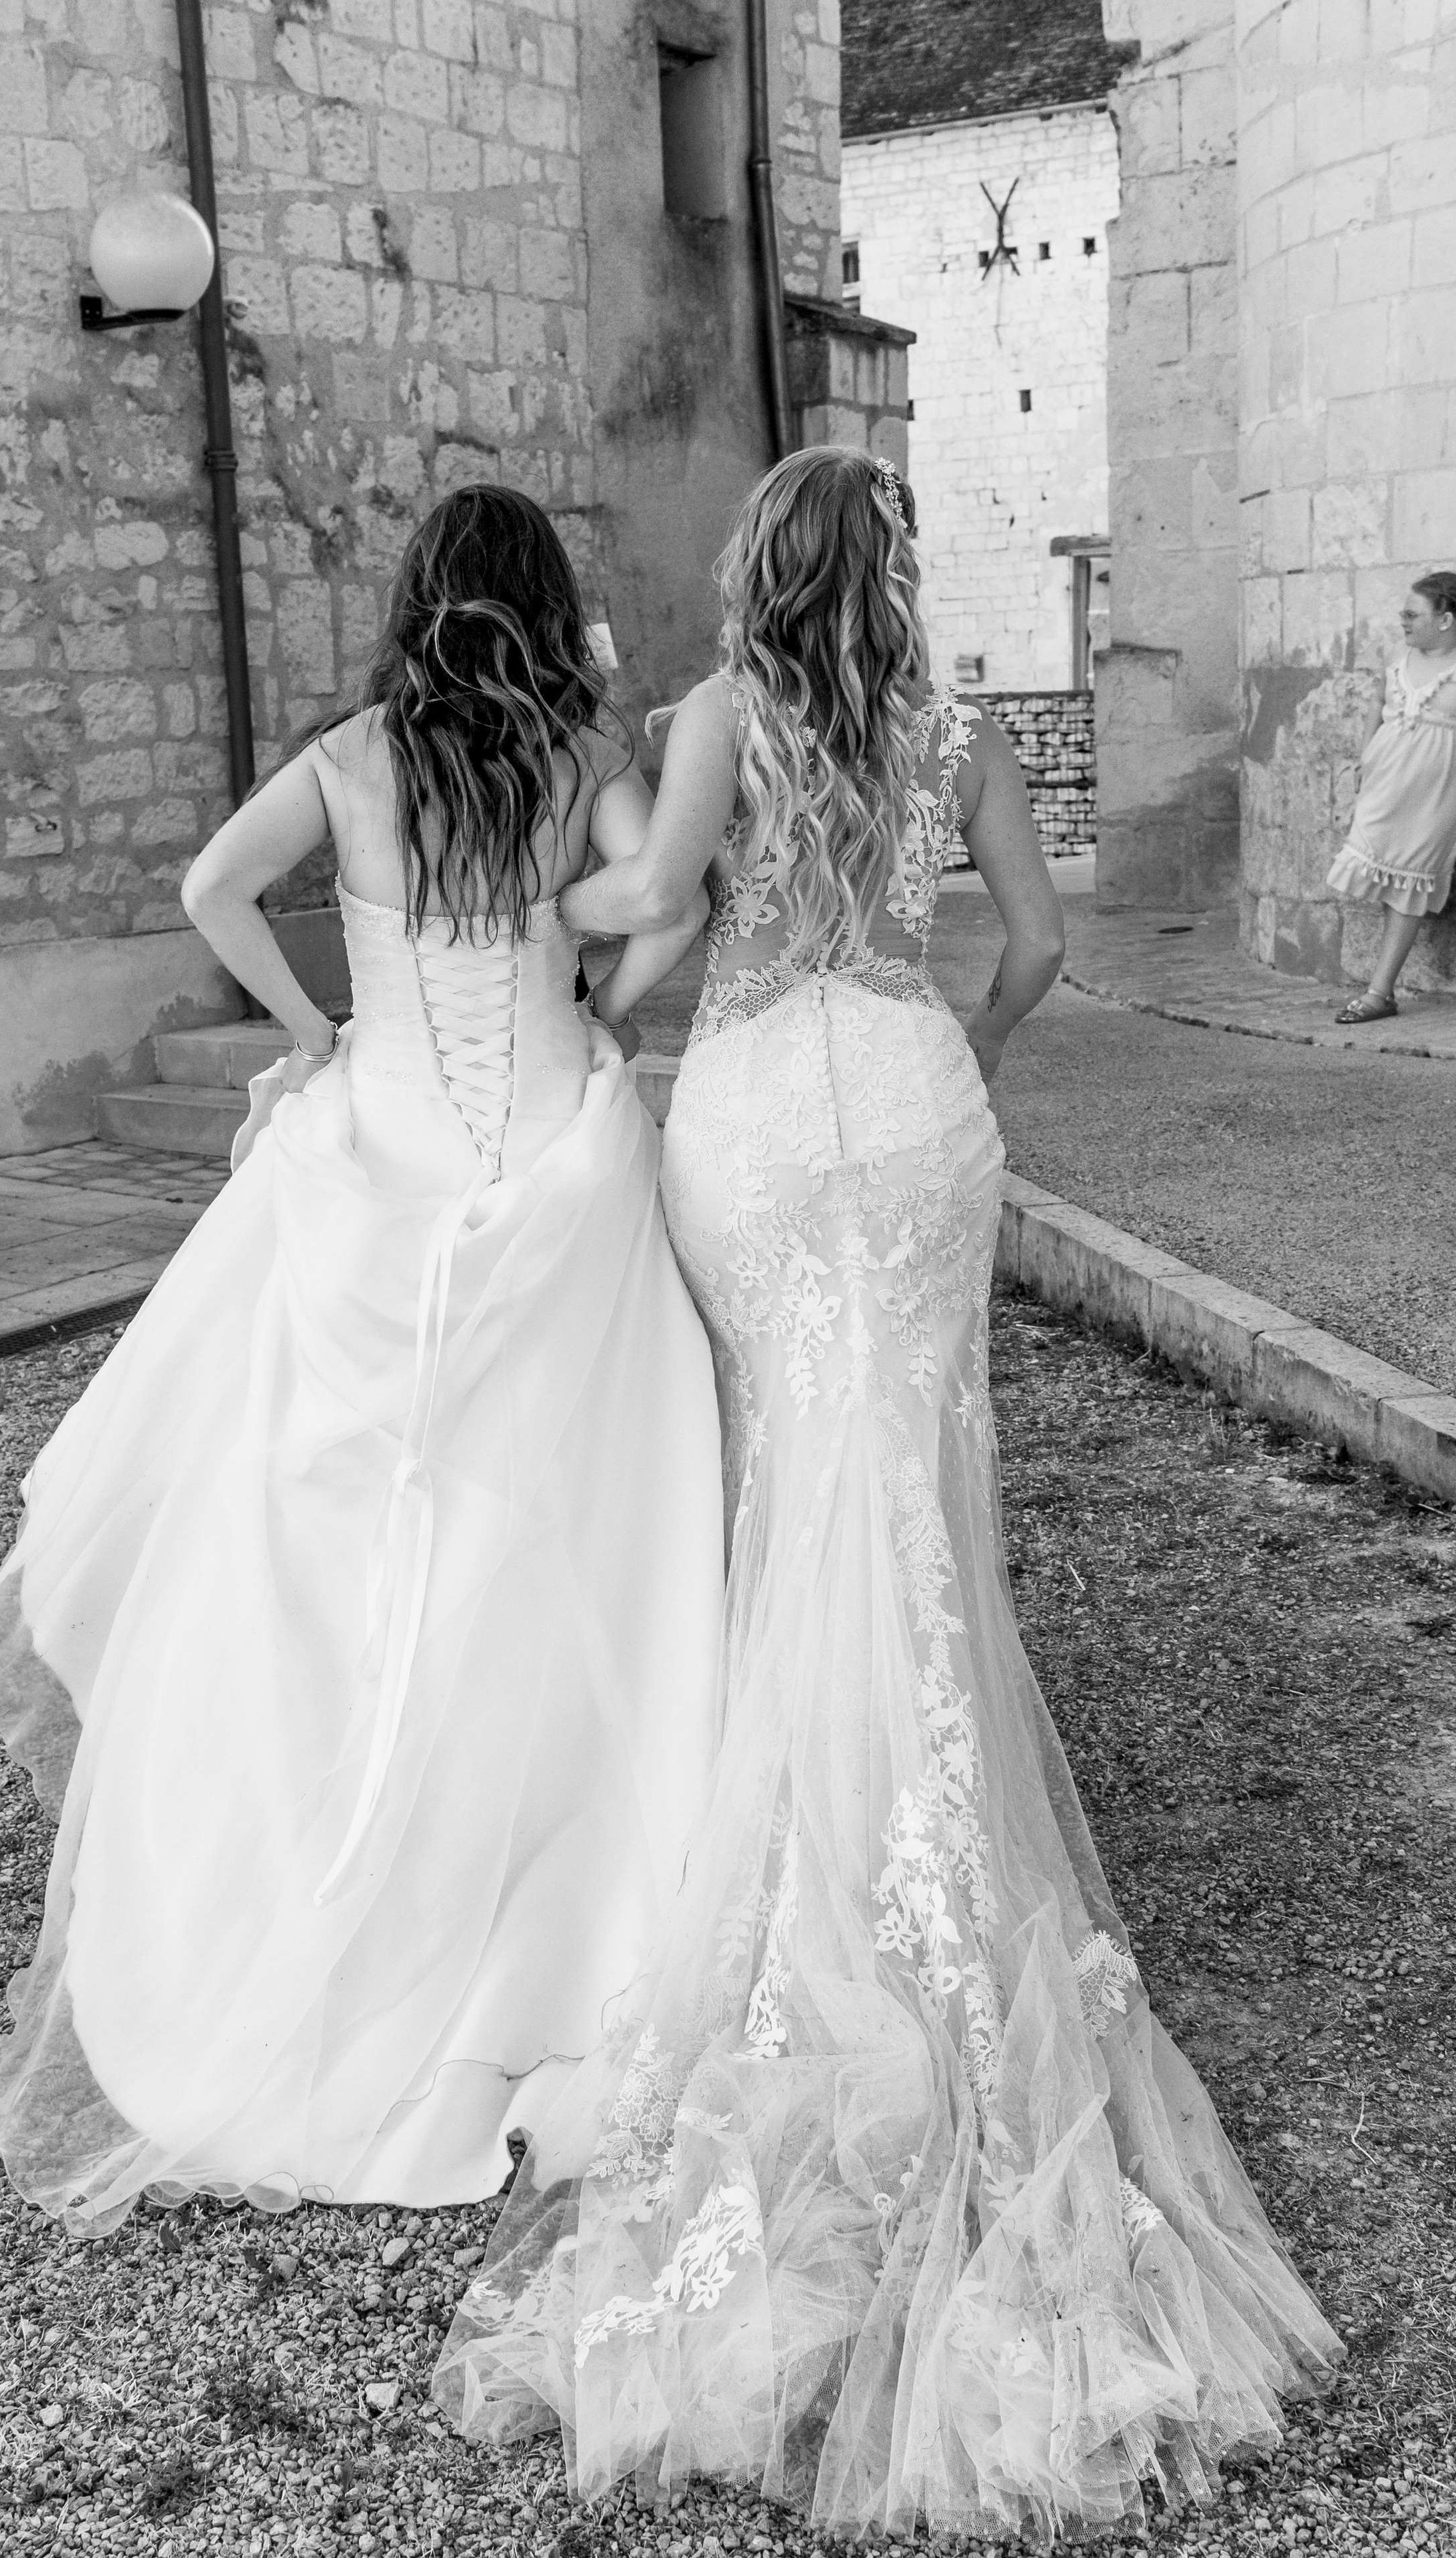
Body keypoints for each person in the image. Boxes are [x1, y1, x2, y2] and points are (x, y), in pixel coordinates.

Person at [436, 451, 1339, 2544]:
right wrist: (972, 1053)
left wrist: (525, 926)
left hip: (758, 1116)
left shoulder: (713, 719)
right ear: (898, 575)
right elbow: (1034, 943)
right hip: (917, 1108)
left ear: (764, 567)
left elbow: (655, 909)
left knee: (793, 1473)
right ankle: (929, 1861)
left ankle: (813, 1858)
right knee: (910, 1497)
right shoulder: (957, 732)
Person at [0, 486, 725, 2236]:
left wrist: (314, 1030)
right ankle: (552, 1875)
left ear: (416, 597)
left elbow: (210, 888)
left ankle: (316, 1881)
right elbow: (669, 903)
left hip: (381, 1142)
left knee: (322, 1521)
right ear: (543, 602)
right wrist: (597, 1007)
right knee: (572, 1510)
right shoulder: (580, 751)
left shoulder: (355, 757)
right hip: (552, 1149)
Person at [1327, 569, 1456, 1024]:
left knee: (1408, 887)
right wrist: (1366, 761)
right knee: (1382, 874)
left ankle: (1378, 994)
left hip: (1434, 798)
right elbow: (1375, 708)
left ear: (1446, 619)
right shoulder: (1398, 656)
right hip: (1384, 790)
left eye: (1412, 614)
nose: (1403, 621)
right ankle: (1381, 989)